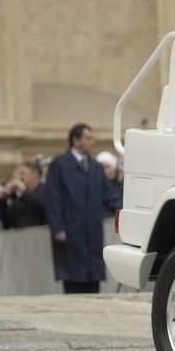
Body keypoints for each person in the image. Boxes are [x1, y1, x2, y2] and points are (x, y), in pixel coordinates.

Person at [45, 123, 123, 294]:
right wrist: (57, 227)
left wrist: (126, 210)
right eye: (88, 138)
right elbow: (53, 197)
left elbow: (110, 196)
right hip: (71, 229)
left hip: (92, 230)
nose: (92, 142)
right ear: (75, 140)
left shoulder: (95, 167)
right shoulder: (60, 164)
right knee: (73, 278)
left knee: (92, 278)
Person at [2, 160, 47, 229]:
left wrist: (24, 190)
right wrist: (5, 198)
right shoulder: (21, 196)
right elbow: (8, 220)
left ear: (35, 174)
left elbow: (42, 207)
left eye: (22, 173)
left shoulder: (46, 191)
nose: (20, 177)